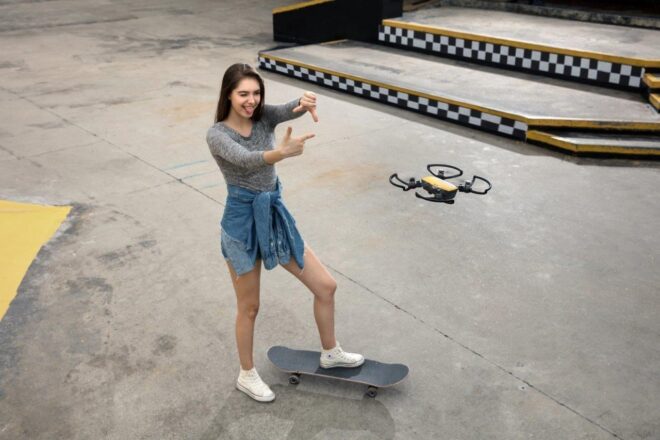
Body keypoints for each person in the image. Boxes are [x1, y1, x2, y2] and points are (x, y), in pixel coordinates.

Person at [206, 63, 364, 403]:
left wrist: (304, 101)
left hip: (273, 214)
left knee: (326, 286)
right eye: (243, 94)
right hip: (240, 224)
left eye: (256, 93)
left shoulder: (263, 116)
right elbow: (246, 159)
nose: (251, 101)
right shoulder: (217, 135)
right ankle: (246, 374)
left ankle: (330, 352)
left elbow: (288, 109)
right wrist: (282, 153)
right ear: (228, 95)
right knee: (249, 307)